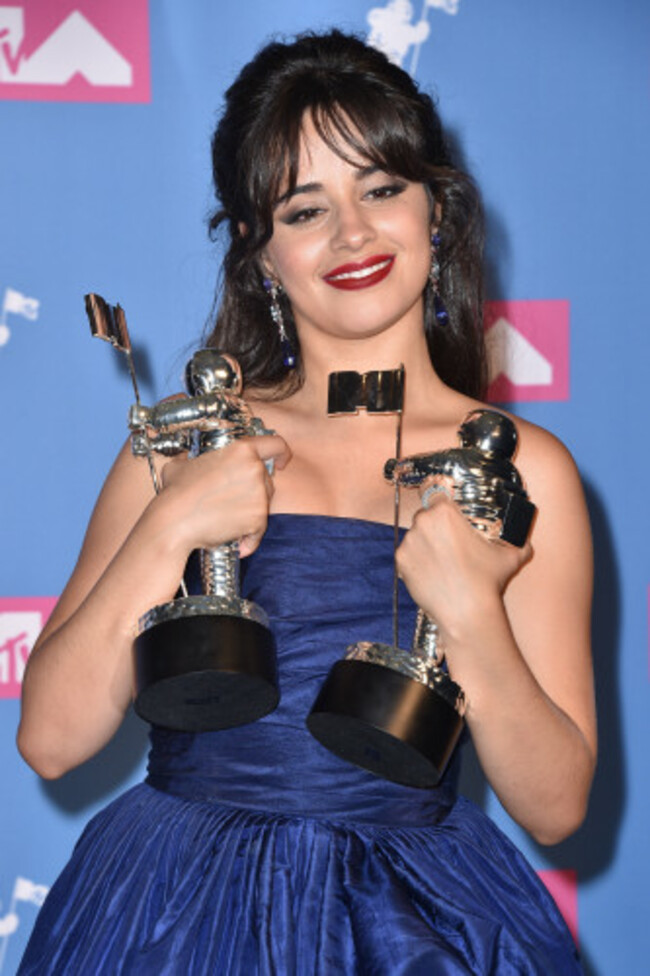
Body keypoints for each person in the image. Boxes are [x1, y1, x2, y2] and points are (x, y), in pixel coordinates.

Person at [17, 30, 595, 975]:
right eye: (304, 208)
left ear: (436, 210)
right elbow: (49, 741)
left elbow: (556, 805)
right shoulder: (188, 440)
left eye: (381, 189)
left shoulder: (529, 469)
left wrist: (471, 615)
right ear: (258, 251)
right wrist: (170, 525)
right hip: (169, 917)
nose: (353, 235)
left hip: (419, 926)